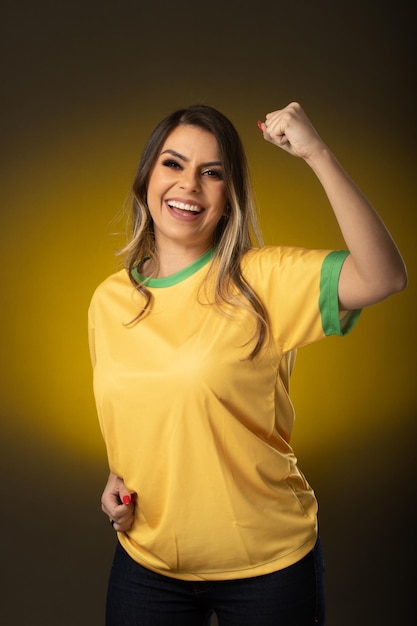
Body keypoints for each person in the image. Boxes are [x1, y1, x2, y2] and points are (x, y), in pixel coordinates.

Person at [88, 101, 407, 626]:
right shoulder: (109, 300)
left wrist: (316, 153)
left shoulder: (264, 280)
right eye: (173, 164)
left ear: (229, 196)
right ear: (146, 176)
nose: (188, 184)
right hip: (147, 565)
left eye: (211, 173)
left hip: (268, 570)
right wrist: (116, 481)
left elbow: (384, 276)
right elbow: (143, 411)